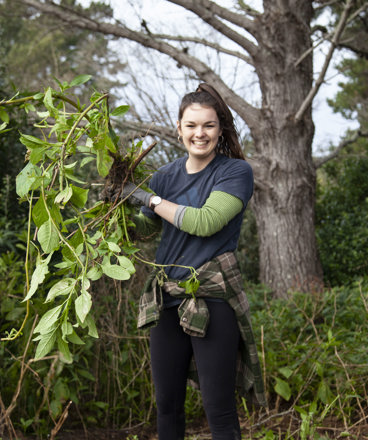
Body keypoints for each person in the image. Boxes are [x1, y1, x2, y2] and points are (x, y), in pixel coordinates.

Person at [117, 83, 266, 440]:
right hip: (166, 300)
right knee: (167, 406)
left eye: (209, 125)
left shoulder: (235, 173)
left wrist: (148, 199)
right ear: (179, 127)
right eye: (192, 125)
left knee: (220, 411)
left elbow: (205, 222)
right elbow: (143, 230)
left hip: (212, 299)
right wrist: (118, 206)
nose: (200, 133)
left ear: (220, 129)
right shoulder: (165, 176)